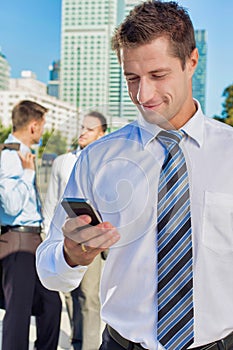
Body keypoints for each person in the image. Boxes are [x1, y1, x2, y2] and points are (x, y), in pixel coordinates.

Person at [36, 1, 233, 350]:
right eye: (131, 78)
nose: (143, 95)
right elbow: (50, 271)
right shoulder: (96, 160)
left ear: (192, 61)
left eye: (158, 76)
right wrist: (69, 254)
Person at [43, 111, 107, 350]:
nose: (82, 132)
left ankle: (89, 346)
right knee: (70, 295)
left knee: (89, 297)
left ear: (102, 133)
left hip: (92, 239)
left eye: (89, 129)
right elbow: (52, 200)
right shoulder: (63, 161)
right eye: (81, 127)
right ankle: (77, 342)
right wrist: (45, 234)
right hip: (63, 238)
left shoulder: (107, 162)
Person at [0, 100, 62, 350]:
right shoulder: (9, 156)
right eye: (43, 124)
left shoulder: (22, 154)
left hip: (33, 240)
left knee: (51, 304)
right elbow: (11, 206)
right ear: (34, 126)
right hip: (17, 240)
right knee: (19, 312)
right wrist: (27, 174)